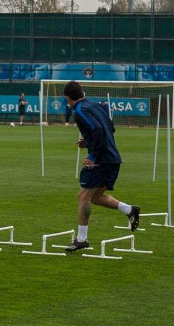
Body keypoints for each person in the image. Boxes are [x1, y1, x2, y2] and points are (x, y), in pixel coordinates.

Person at [60, 82, 142, 252]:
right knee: (96, 197)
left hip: (101, 160)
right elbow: (110, 127)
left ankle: (81, 239)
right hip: (113, 159)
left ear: (67, 98)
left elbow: (97, 129)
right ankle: (129, 210)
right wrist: (87, 142)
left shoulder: (80, 111)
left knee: (83, 197)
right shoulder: (95, 105)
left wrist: (93, 154)